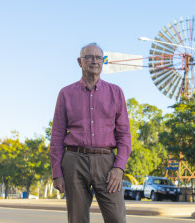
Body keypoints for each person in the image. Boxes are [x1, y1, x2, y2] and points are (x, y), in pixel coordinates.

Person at [50, 42, 131, 223]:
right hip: (74, 161)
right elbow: (56, 135)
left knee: (117, 218)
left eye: (98, 58)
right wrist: (57, 172)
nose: (94, 61)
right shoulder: (66, 93)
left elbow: (124, 134)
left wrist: (119, 167)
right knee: (77, 219)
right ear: (80, 62)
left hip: (106, 163)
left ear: (103, 62)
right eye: (89, 57)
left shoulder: (116, 92)